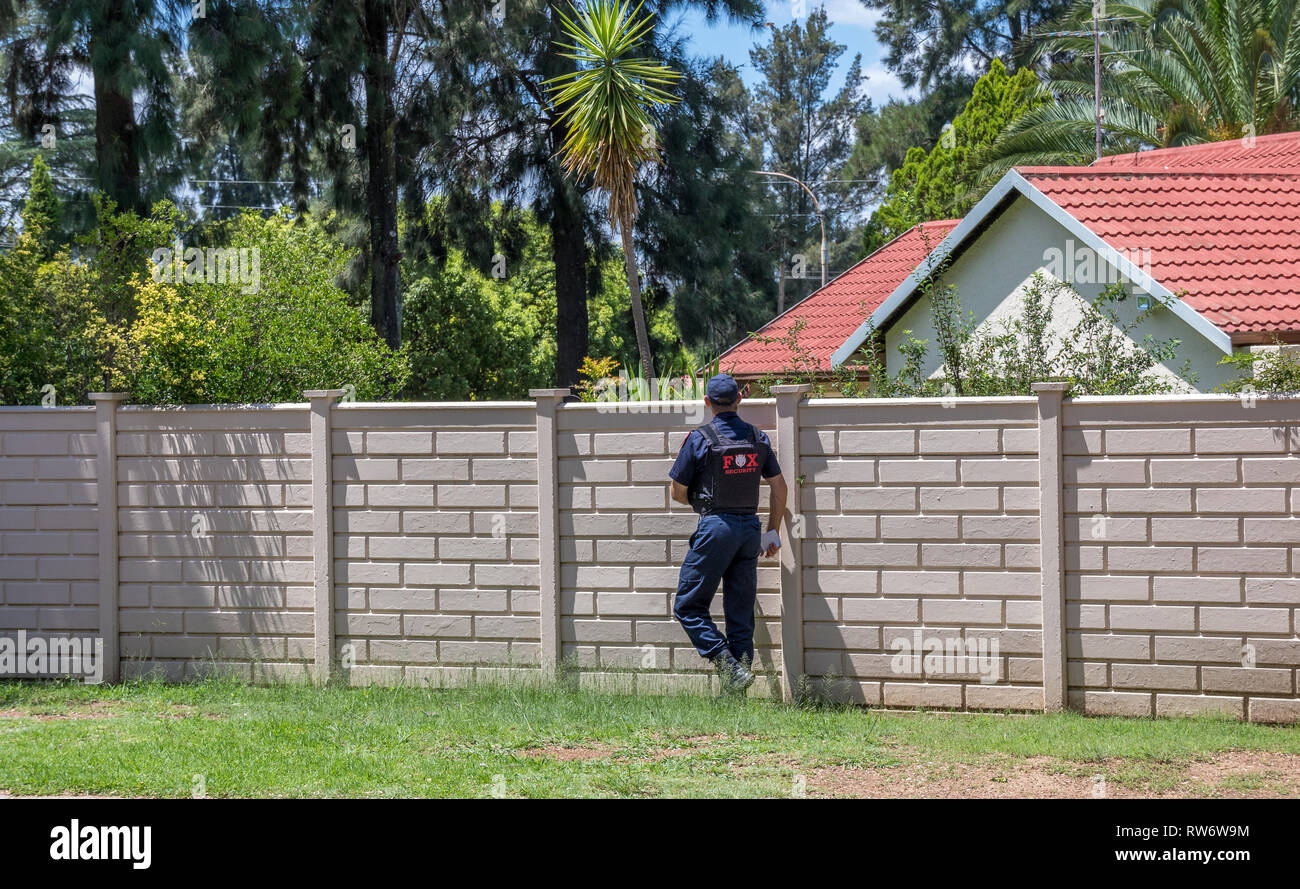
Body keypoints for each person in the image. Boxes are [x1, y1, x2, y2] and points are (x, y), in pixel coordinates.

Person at [668, 373, 788, 694]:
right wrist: (772, 531)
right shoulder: (758, 438)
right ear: (739, 400)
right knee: (740, 615)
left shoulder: (699, 439)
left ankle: (727, 665)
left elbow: (676, 492)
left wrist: (701, 501)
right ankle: (736, 695)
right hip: (750, 530)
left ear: (707, 403)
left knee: (688, 606)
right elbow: (779, 486)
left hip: (715, 528)